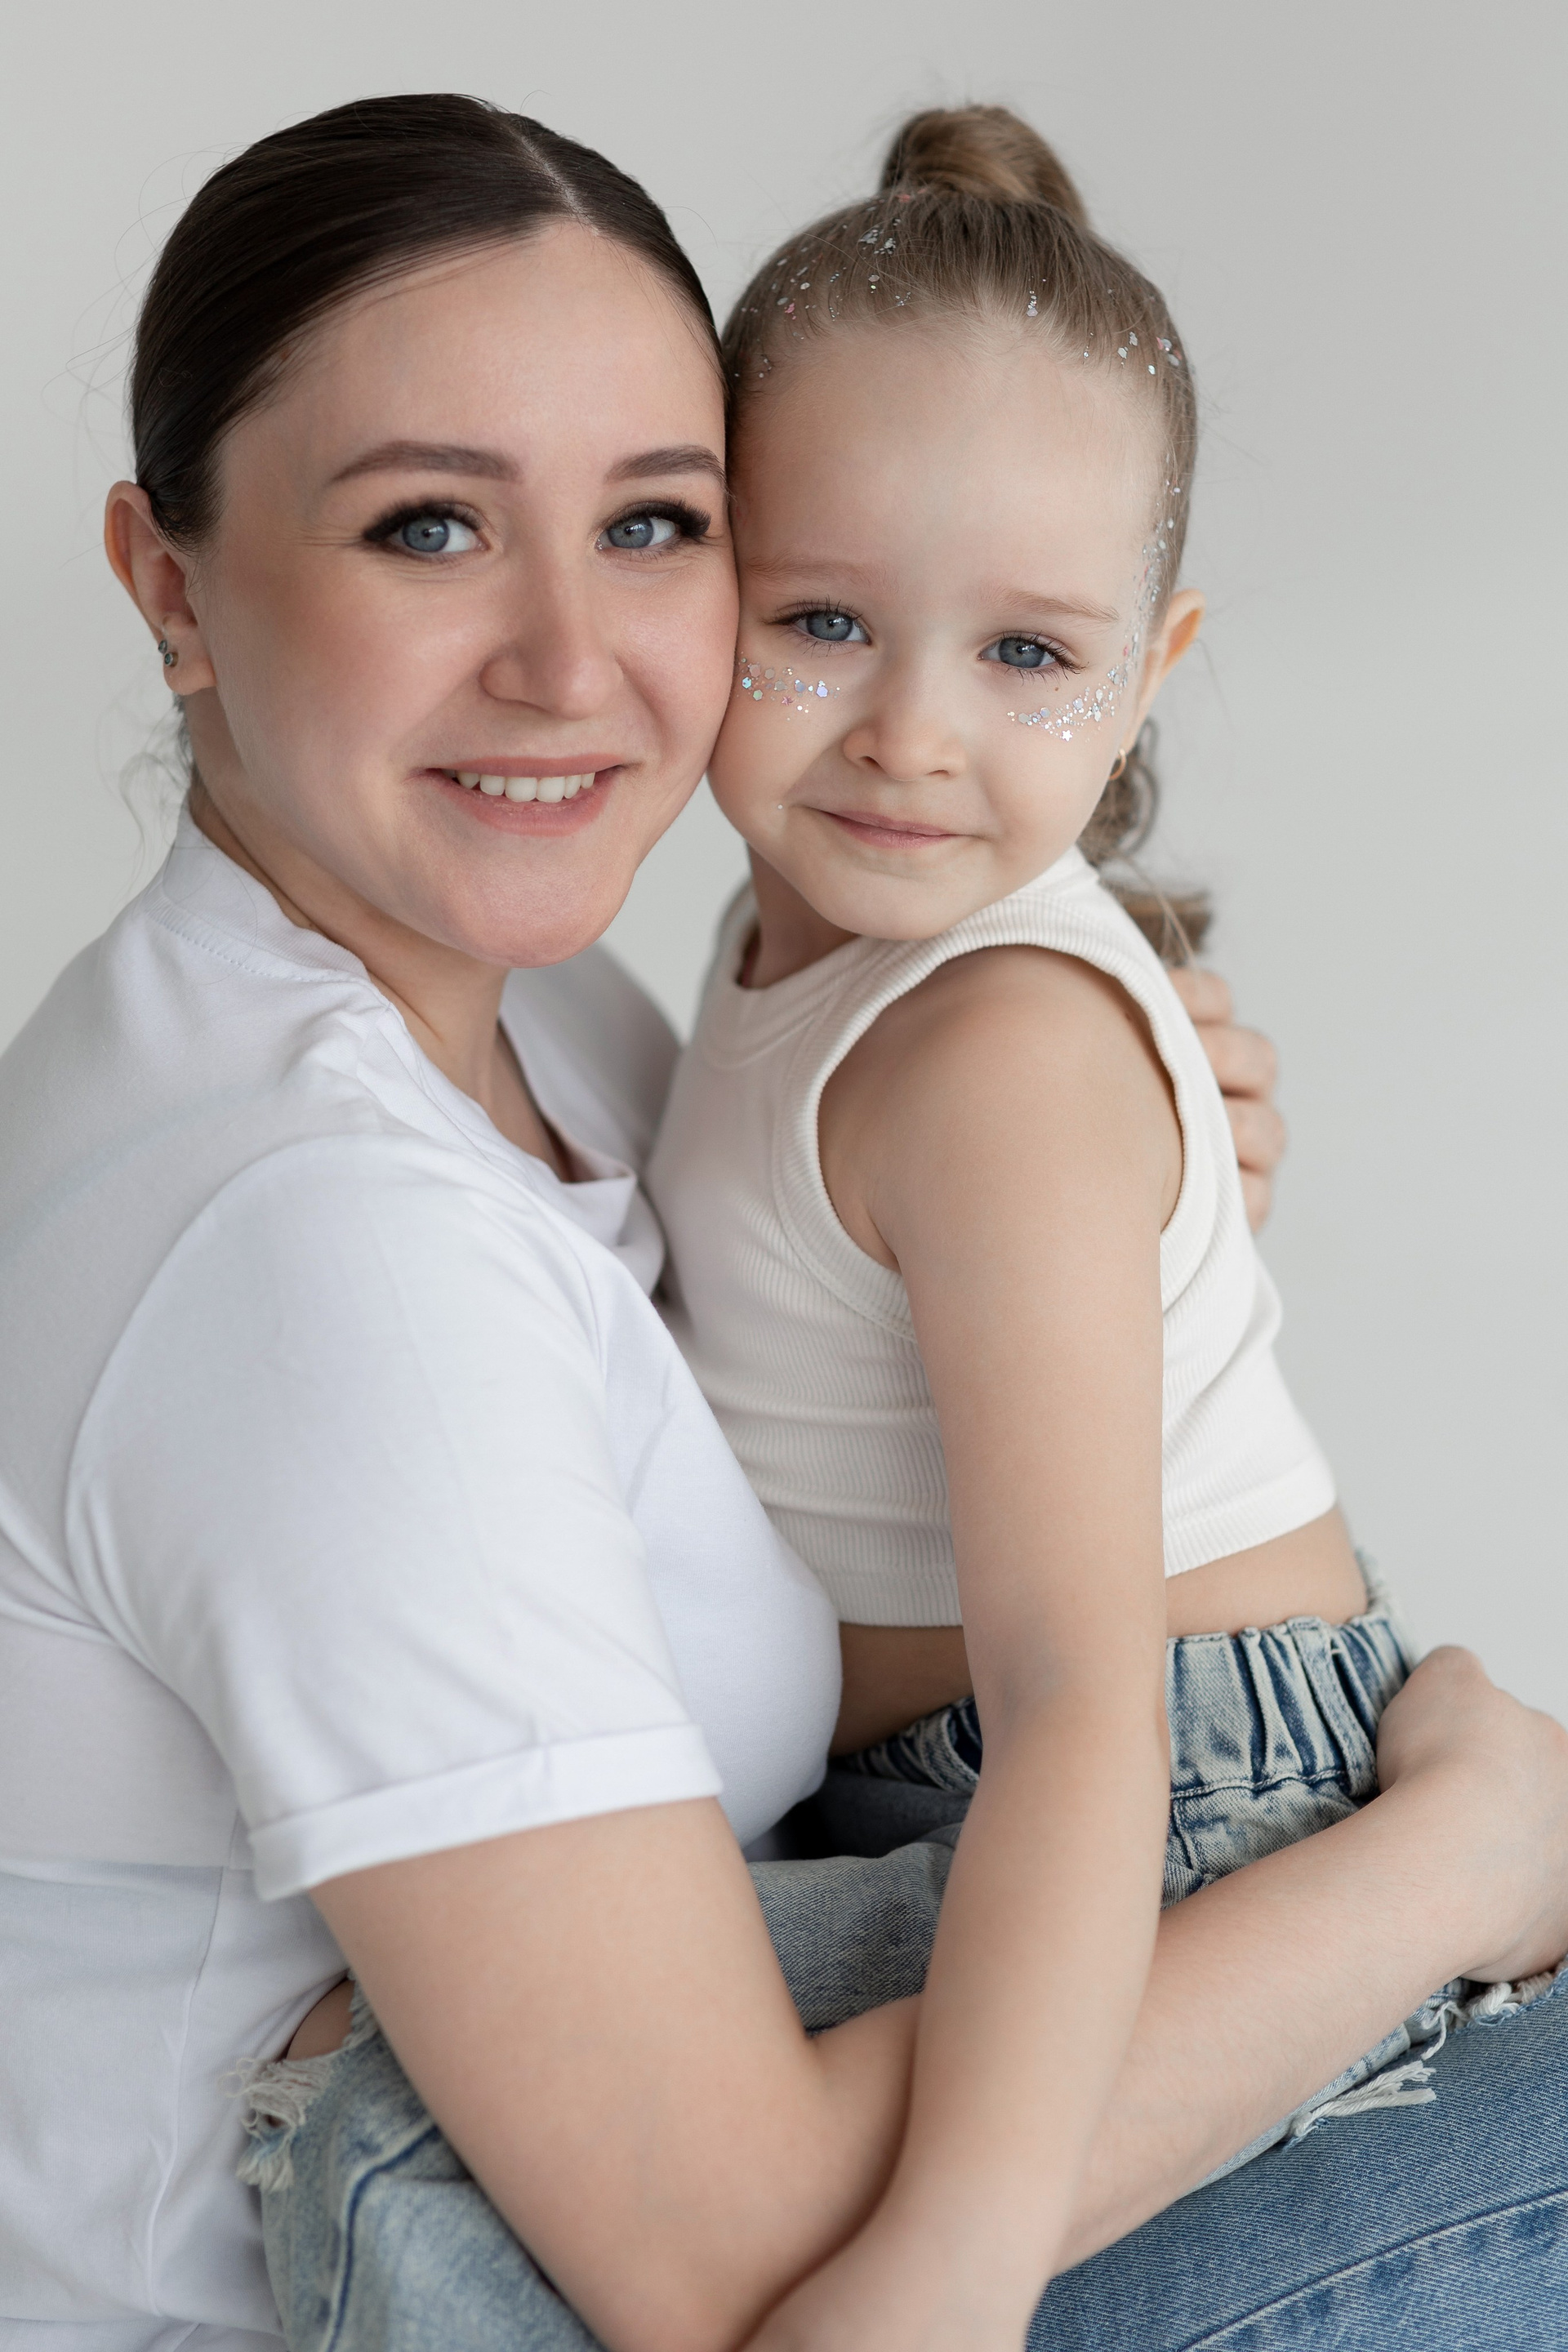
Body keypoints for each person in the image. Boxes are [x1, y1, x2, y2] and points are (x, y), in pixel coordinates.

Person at [0, 92, 1562, 2352]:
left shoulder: (531, 1000)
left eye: (652, 523)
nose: (569, 662)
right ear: (173, 586)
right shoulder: (314, 1234)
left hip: (1057, 1845)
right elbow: (722, 2260)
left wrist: (1085, 1186)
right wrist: (1460, 1866)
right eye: (428, 527)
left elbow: (799, 1335)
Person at [641, 104, 1409, 2347]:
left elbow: (1080, 1705)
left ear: (1150, 670)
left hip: (1163, 1788)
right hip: (969, 1788)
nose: (909, 734)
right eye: (821, 622)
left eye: (1029, 656)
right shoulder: (795, 945)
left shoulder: (991, 1054)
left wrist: (956, 2264)